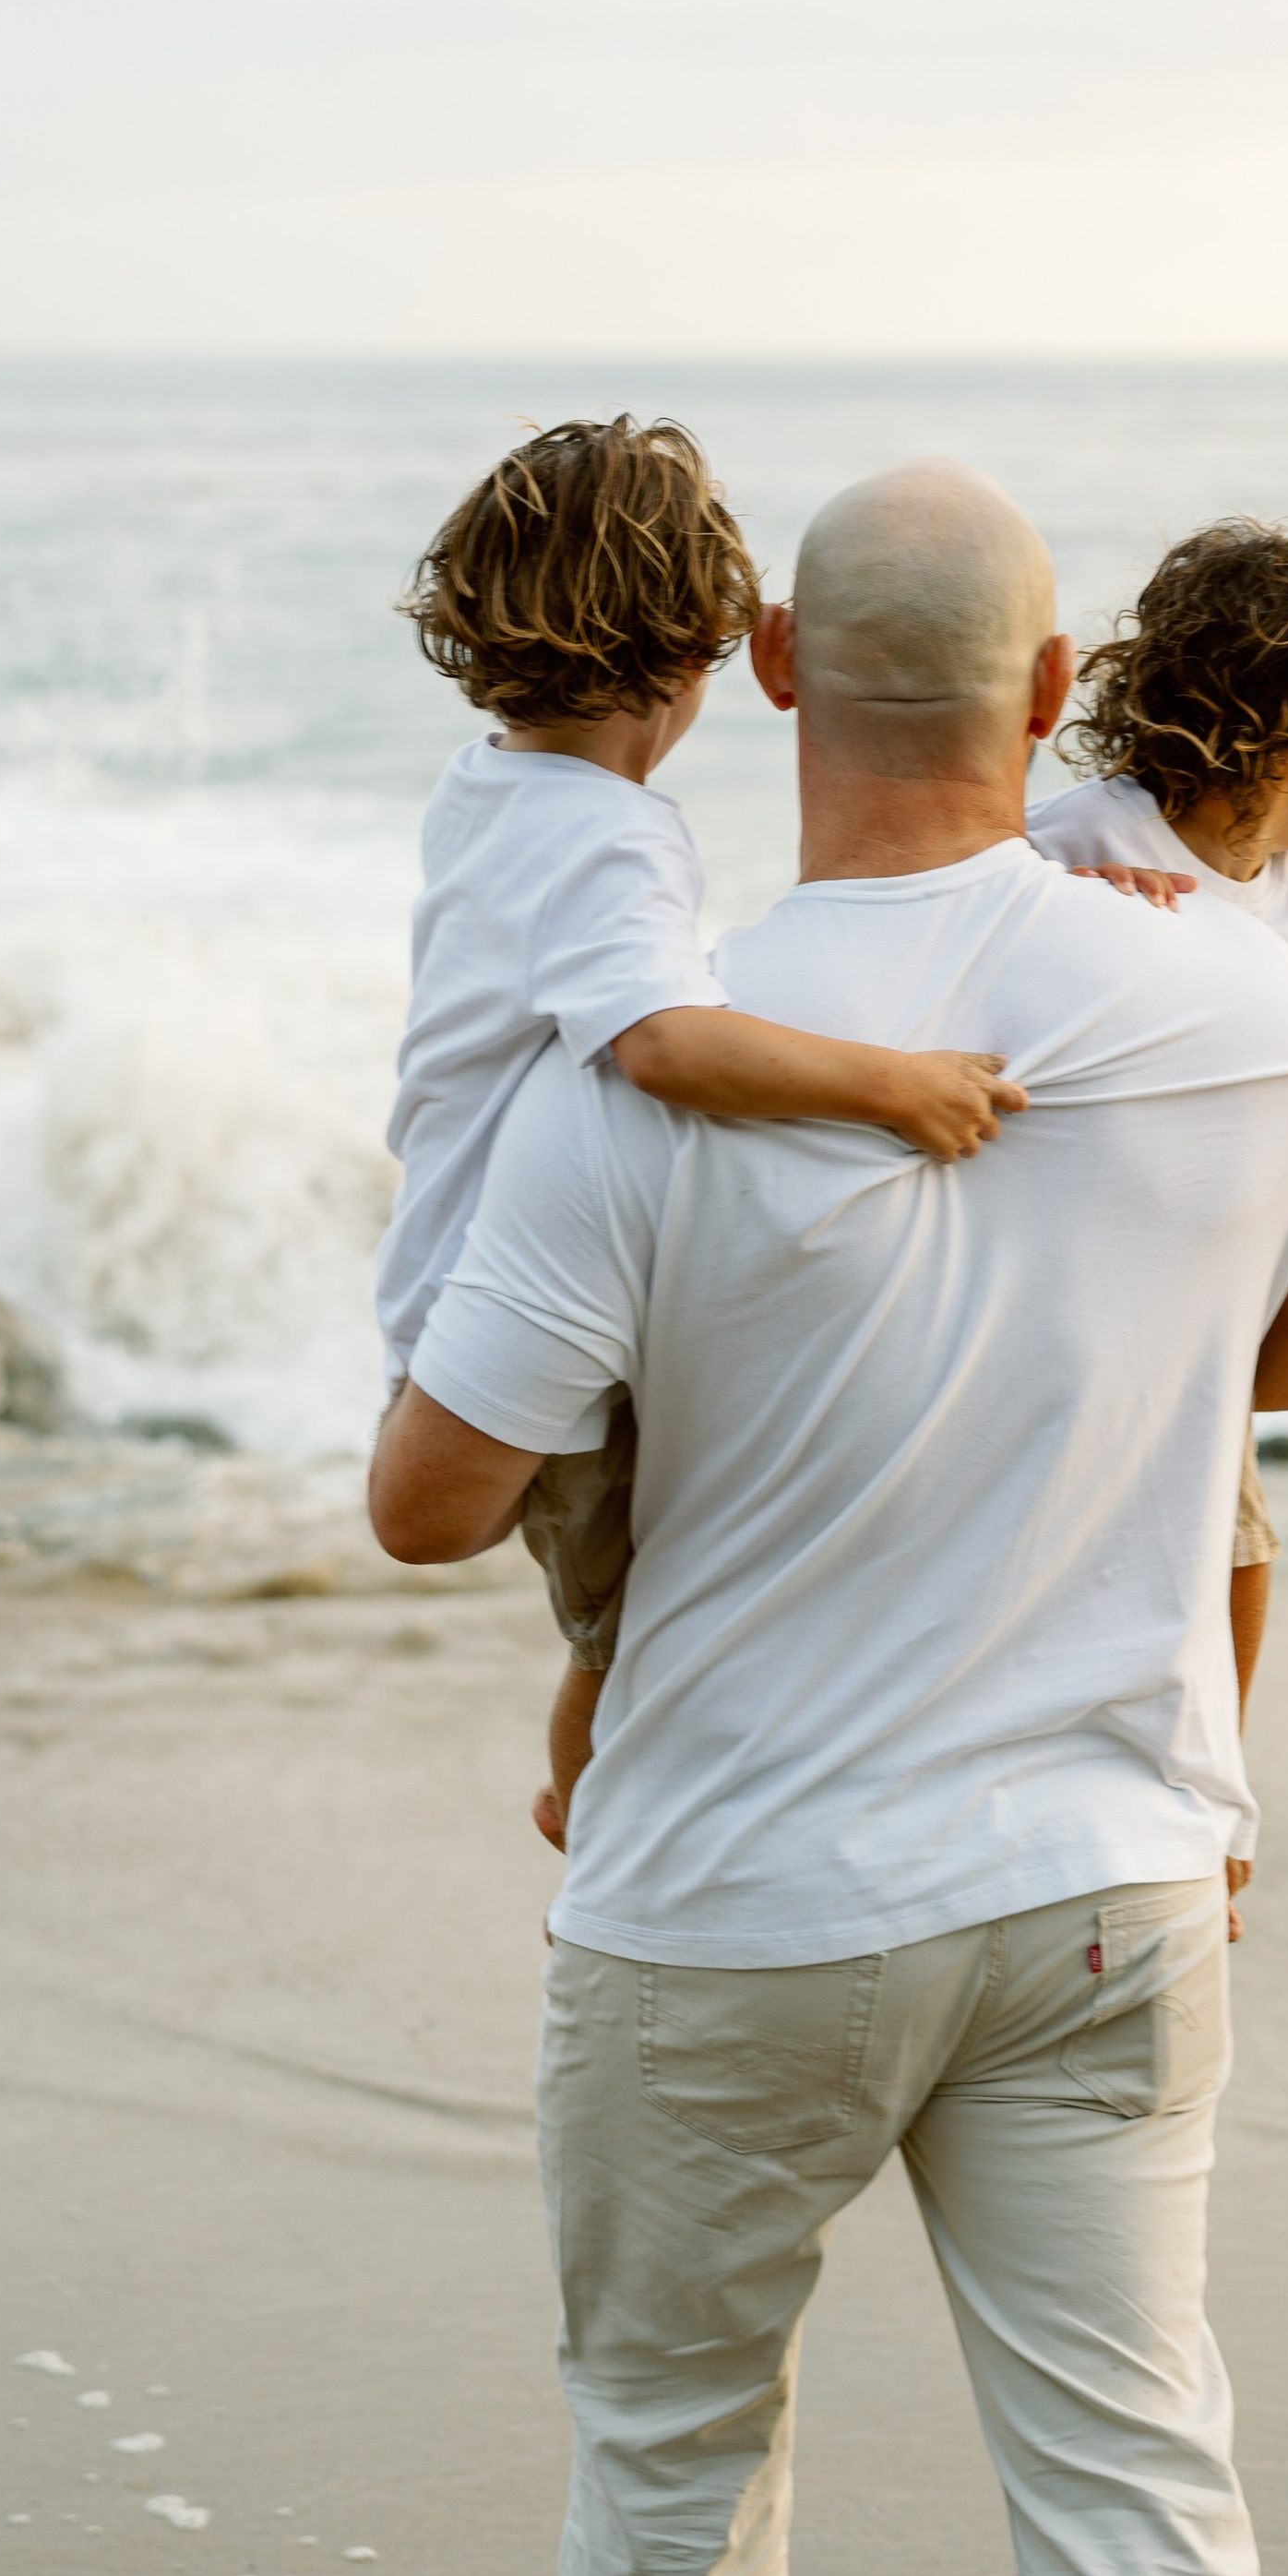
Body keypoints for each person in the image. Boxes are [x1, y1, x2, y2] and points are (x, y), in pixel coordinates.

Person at [370, 459, 1288, 2576]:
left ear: (774, 671)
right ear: (1054, 685)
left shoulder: (635, 1072)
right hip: (1109, 1884)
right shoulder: (1262, 1014)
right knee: (1135, 2491)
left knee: (673, 2482)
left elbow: (434, 1507)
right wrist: (1108, 1380)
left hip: (735, 1899)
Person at [377, 414, 1026, 1853]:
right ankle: (595, 1821)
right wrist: (890, 1084)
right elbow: (663, 1043)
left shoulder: (487, 791)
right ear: (700, 656)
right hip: (508, 1307)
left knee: (627, 1609)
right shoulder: (610, 835)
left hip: (448, 1270)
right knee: (628, 1631)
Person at [1031, 510, 1288, 1736]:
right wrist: (1071, 902)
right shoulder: (1087, 841)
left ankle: (1214, 1776)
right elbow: (971, 921)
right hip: (1084, 1247)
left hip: (1219, 1267)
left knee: (1237, 1540)